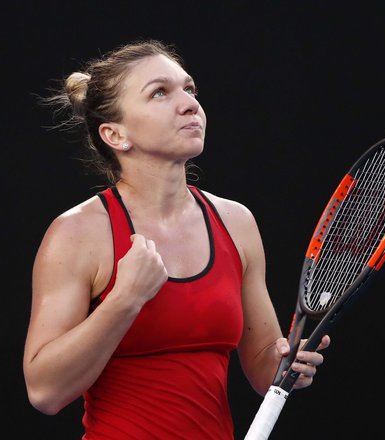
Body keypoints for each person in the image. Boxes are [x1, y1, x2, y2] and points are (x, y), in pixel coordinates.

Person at [22, 39, 330, 439]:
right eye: (160, 93)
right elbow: (45, 391)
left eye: (190, 89)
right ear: (116, 135)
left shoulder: (236, 223)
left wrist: (285, 364)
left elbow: (261, 368)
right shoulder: (78, 233)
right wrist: (125, 298)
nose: (189, 104)